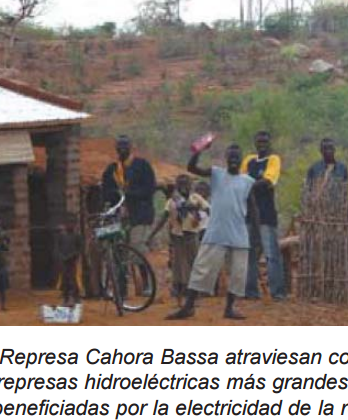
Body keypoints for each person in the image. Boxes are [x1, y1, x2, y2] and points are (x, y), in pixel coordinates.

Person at [167, 143, 256, 320]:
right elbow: (191, 168)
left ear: (241, 160)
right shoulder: (217, 174)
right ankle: (189, 306)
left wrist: (257, 235)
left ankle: (229, 308)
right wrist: (198, 150)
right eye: (230, 157)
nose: (233, 160)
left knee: (238, 273)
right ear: (225, 158)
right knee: (201, 269)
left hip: (239, 233)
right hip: (216, 231)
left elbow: (253, 209)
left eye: (236, 157)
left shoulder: (248, 181)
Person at [148, 174, 210, 304]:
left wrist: (195, 211)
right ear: (177, 185)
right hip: (178, 237)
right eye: (180, 183)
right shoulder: (172, 202)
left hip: (192, 235)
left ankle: (194, 297)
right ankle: (180, 299)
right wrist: (151, 235)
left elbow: (208, 210)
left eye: (185, 183)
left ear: (190, 185)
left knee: (194, 265)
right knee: (179, 268)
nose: (183, 186)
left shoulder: (196, 198)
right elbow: (163, 218)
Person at [243, 130, 286, 300]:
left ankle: (278, 293)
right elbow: (242, 179)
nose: (262, 144)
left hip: (266, 214)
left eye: (265, 141)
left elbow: (268, 181)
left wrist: (249, 185)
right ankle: (250, 291)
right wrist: (253, 185)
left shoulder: (273, 159)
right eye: (259, 141)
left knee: (271, 254)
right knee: (249, 253)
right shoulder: (249, 159)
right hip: (248, 214)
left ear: (269, 143)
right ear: (255, 142)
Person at [100, 135, 158, 257]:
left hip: (140, 215)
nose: (122, 149)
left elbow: (150, 188)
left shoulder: (142, 166)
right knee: (117, 250)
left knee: (137, 248)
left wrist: (130, 194)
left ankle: (144, 276)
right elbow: (105, 191)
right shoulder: (112, 169)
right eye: (119, 147)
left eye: (125, 147)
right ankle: (122, 275)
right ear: (116, 149)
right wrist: (114, 197)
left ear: (130, 148)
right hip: (118, 215)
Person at [304, 138, 348, 202]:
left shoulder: (342, 168)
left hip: (339, 208)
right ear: (321, 151)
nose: (328, 151)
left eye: (331, 148)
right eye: (325, 149)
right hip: (319, 208)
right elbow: (308, 191)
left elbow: (345, 191)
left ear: (334, 150)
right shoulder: (314, 169)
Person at [55, 219, 83, 307]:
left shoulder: (77, 236)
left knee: (73, 278)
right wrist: (61, 257)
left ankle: (75, 296)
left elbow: (80, 248)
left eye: (71, 224)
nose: (69, 226)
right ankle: (65, 296)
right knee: (64, 278)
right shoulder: (61, 236)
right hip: (63, 260)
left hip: (72, 260)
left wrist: (73, 256)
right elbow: (57, 248)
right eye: (67, 224)